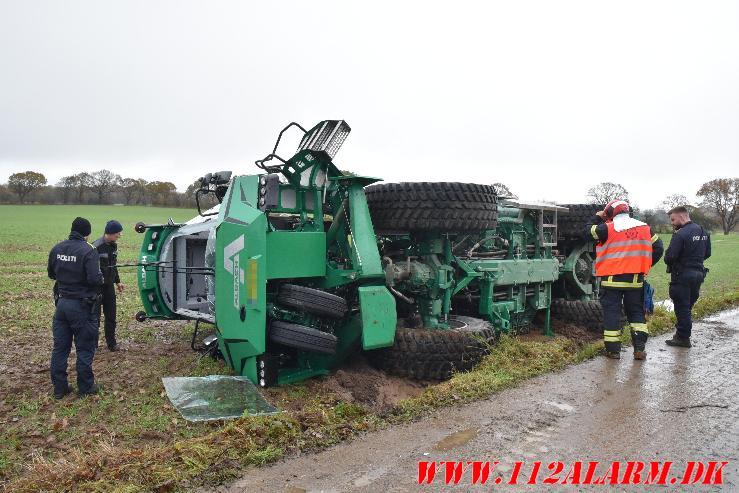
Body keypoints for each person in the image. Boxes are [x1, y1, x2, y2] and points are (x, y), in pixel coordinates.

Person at [586, 200, 664, 360]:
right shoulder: (645, 228)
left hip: (611, 281)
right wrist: (644, 265)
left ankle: (613, 351)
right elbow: (659, 247)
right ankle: (639, 349)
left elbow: (587, 231)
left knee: (612, 315)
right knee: (636, 315)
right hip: (635, 281)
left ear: (610, 213)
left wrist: (597, 217)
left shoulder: (607, 228)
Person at [47, 217, 104, 398]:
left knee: (60, 348)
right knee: (85, 348)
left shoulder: (57, 248)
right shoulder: (89, 251)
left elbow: (51, 274)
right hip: (81, 306)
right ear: (87, 233)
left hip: (61, 305)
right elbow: (95, 279)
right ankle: (86, 387)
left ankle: (60, 388)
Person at [664, 206, 711, 348]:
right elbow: (708, 253)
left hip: (682, 276)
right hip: (698, 274)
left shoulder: (680, 234)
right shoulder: (704, 231)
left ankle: (683, 338)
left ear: (681, 216)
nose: (672, 223)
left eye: (673, 219)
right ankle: (680, 334)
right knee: (687, 306)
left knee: (682, 307)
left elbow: (670, 257)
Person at [92, 220, 125, 351]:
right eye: (117, 234)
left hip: (109, 286)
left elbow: (113, 266)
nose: (119, 236)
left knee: (111, 316)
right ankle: (92, 345)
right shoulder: (95, 246)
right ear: (109, 233)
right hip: (96, 287)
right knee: (95, 318)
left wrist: (118, 282)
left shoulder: (114, 246)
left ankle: (111, 344)